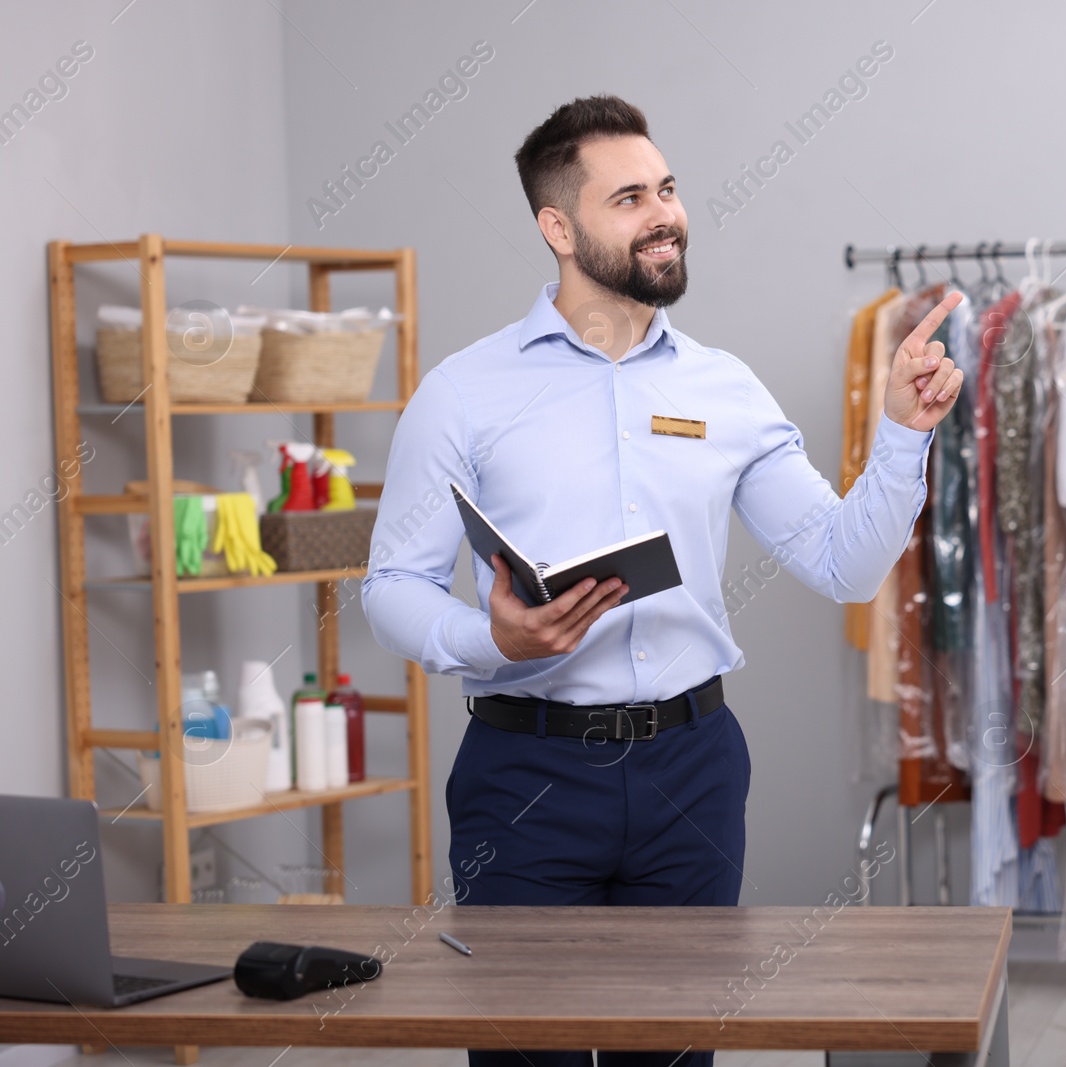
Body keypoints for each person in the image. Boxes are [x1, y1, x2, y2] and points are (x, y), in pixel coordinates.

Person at [361, 94, 963, 1067]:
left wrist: (901, 435)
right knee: (527, 1056)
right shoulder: (463, 393)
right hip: (526, 779)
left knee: (676, 1055)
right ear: (557, 227)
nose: (664, 214)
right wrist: (493, 638)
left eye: (669, 189)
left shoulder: (721, 387)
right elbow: (390, 588)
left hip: (693, 767)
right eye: (629, 196)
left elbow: (845, 565)